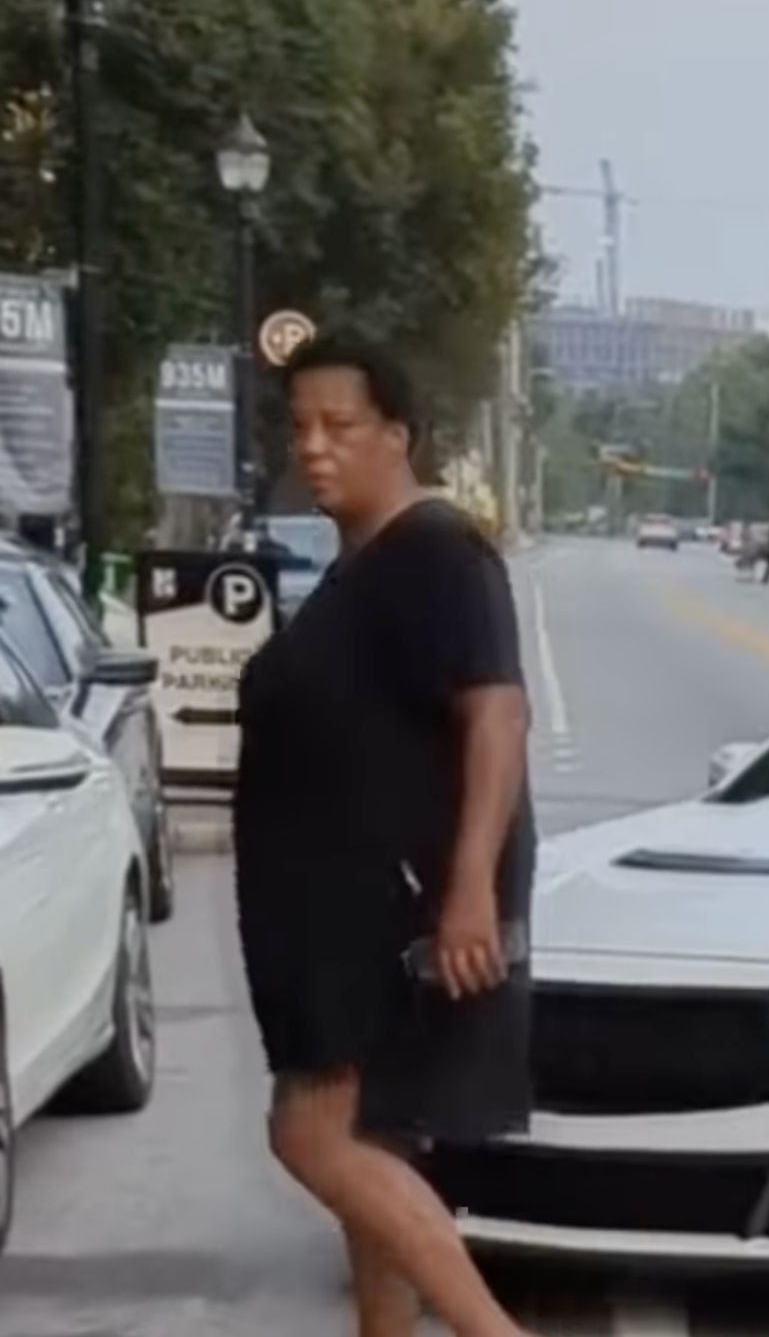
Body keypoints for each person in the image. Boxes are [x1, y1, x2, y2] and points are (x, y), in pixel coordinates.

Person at [233, 333, 545, 1337]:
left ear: (397, 435)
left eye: (341, 425)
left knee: (312, 1133)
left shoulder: (436, 550)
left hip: (391, 913)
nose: (314, 447)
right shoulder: (360, 567)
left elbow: (496, 716)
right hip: (331, 919)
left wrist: (468, 893)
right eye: (299, 427)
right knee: (374, 1147)